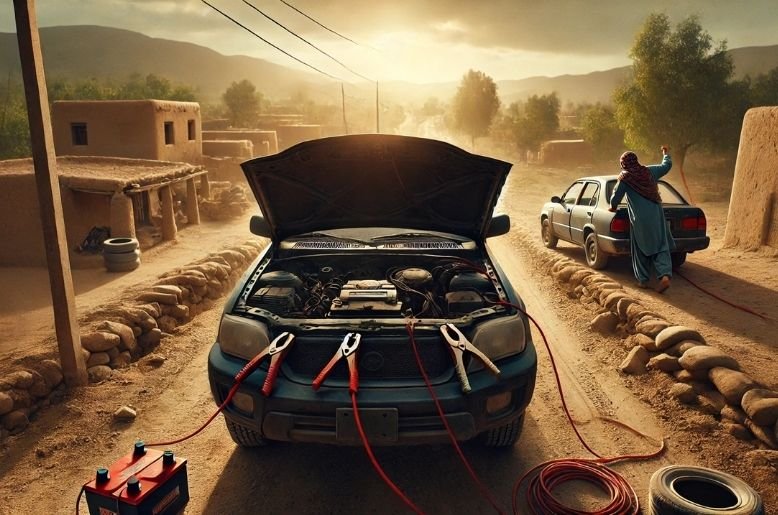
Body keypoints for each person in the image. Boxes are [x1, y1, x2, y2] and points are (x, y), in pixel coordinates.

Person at [609, 146, 673, 293]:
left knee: (640, 248)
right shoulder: (649, 171)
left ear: (623, 164)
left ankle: (643, 280)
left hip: (640, 219)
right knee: (660, 244)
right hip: (657, 215)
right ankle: (664, 277)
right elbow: (666, 166)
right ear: (636, 161)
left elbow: (615, 197)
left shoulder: (625, 177)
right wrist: (665, 154)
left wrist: (613, 207)